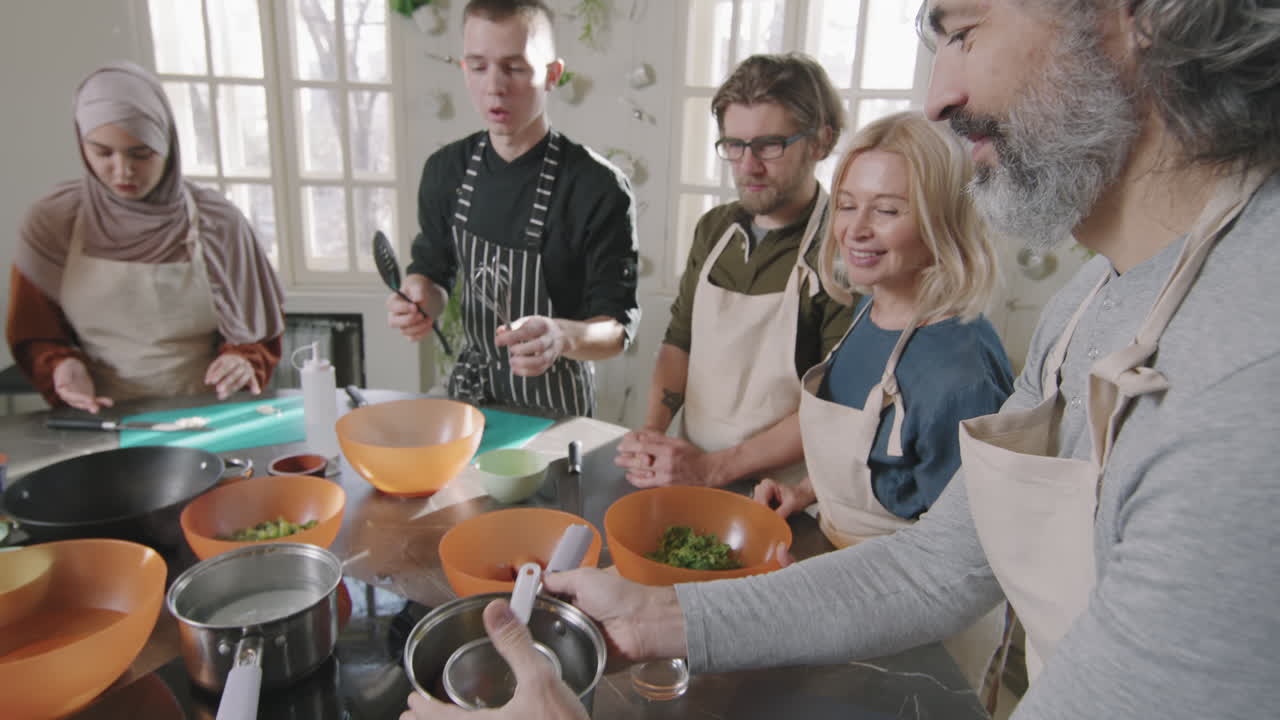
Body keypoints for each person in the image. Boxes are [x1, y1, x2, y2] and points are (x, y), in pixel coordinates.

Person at [404, 0, 1280, 717]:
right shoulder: (1085, 304)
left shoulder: (1244, 371)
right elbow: (941, 563)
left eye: (964, 31)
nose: (938, 96)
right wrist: (657, 613)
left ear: (1136, 19)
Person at [750, 111, 1012, 690]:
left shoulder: (958, 369)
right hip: (845, 578)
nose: (856, 229)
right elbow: (880, 454)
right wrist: (805, 490)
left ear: (942, 221)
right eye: (847, 204)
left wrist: (827, 593)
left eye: (888, 210)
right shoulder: (874, 309)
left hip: (917, 627)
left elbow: (961, 559)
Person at [386, 0, 639, 418]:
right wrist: (418, 299)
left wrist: (562, 336)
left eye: (515, 67)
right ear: (465, 69)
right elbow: (431, 270)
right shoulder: (445, 170)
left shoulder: (597, 187)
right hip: (472, 401)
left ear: (552, 75)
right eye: (478, 66)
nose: (494, 87)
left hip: (557, 406)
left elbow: (615, 327)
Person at [615, 53, 854, 488]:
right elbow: (678, 343)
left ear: (821, 141)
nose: (748, 166)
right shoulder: (714, 230)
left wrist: (716, 469)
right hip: (690, 474)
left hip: (782, 493)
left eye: (769, 145)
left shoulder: (844, 251)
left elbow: (834, 406)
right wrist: (653, 431)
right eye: (734, 145)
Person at [7, 61, 285, 412]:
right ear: (81, 143)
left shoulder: (219, 224)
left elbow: (257, 335)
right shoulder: (53, 224)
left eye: (141, 154)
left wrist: (243, 360)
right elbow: (36, 334)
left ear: (169, 145)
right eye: (102, 152)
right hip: (100, 418)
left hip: (208, 413)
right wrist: (61, 366)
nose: (122, 170)